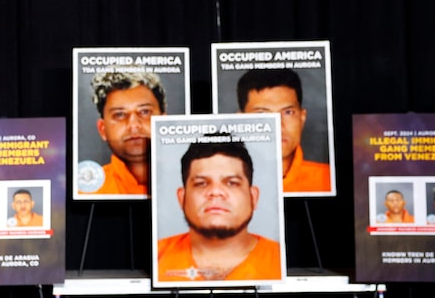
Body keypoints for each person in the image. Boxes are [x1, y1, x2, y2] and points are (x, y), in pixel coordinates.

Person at [157, 138, 281, 282]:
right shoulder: (155, 256)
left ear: (253, 197)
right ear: (181, 198)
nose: (215, 191)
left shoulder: (281, 259)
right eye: (201, 183)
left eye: (232, 183)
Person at [236, 68, 331, 194]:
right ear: (240, 121)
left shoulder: (327, 179)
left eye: (288, 112)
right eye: (262, 114)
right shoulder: (221, 182)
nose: (278, 125)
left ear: (302, 118)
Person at [82, 71, 166, 195]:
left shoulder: (190, 183)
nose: (133, 125)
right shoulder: (85, 191)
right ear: (103, 129)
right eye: (120, 114)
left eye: (144, 112)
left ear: (164, 122)